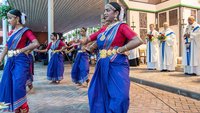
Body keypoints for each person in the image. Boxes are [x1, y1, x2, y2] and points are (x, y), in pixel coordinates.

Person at [81, 2, 143, 112]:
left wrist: (120, 49)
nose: (104, 13)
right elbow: (90, 40)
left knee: (120, 96)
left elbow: (138, 40)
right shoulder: (104, 29)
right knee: (100, 93)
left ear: (116, 13)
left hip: (117, 64)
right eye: (104, 10)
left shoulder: (122, 27)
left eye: (108, 10)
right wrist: (86, 44)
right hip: (102, 64)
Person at [0, 9, 39, 112]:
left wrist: (23, 50)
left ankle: (23, 108)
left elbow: (36, 43)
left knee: (18, 86)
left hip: (21, 61)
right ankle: (16, 109)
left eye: (10, 18)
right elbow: (7, 47)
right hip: (10, 61)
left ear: (17, 18)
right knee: (7, 84)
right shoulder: (11, 32)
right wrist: (0, 59)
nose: (8, 20)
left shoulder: (26, 31)